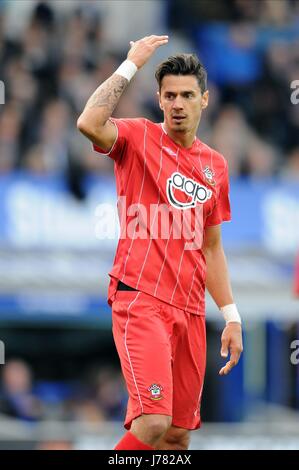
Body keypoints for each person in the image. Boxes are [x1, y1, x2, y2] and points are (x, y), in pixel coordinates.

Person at [77, 35, 243, 451]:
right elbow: (89, 123)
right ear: (159, 99)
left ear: (204, 100)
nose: (178, 104)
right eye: (170, 96)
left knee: (177, 437)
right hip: (141, 299)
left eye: (187, 95)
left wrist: (232, 315)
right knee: (153, 422)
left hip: (189, 310)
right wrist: (130, 63)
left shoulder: (215, 166)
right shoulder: (137, 138)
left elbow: (212, 247)